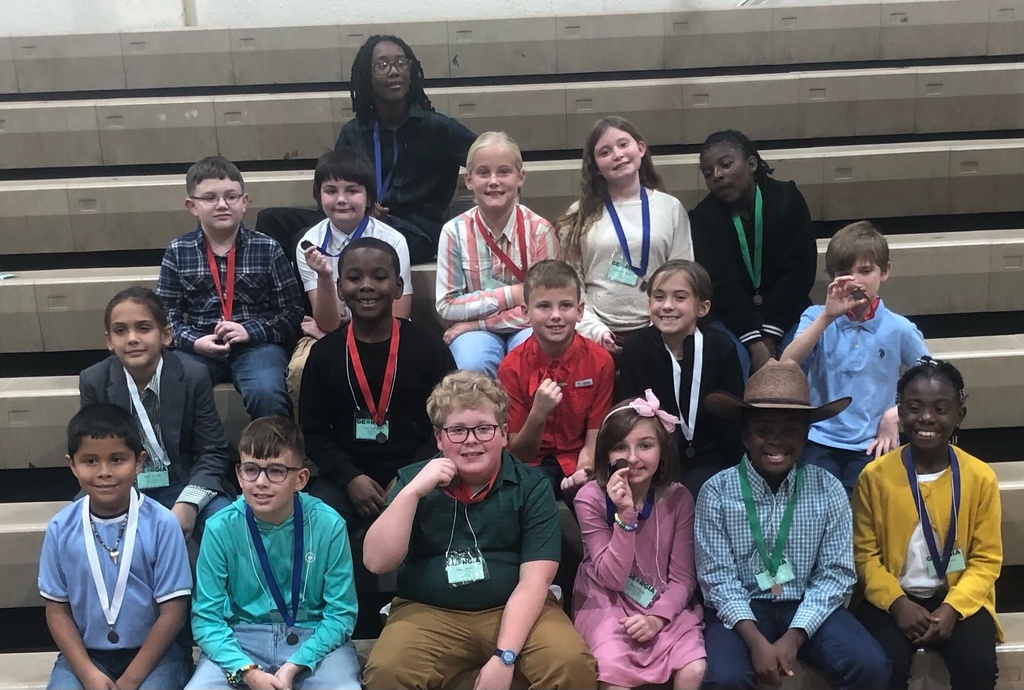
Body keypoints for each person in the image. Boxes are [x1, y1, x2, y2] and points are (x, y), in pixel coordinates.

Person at [361, 371, 598, 690]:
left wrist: (505, 656)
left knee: (571, 664)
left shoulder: (532, 485)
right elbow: (377, 562)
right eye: (457, 430)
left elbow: (534, 581)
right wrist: (412, 493)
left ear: (503, 434)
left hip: (515, 608)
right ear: (439, 438)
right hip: (428, 612)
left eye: (483, 429)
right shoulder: (413, 481)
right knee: (386, 672)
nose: (471, 440)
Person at [695, 361, 888, 690]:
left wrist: (794, 637)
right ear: (744, 435)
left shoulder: (827, 489)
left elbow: (836, 574)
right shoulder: (716, 491)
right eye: (763, 430)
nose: (776, 441)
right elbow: (717, 579)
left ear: (806, 435)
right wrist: (757, 644)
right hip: (741, 610)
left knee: (870, 665)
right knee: (725, 679)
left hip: (806, 602)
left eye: (789, 430)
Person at [257, 35, 476, 265]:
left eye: (401, 63)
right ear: (366, 76)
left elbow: (485, 156)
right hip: (357, 216)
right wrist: (363, 208)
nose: (394, 71)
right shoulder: (354, 132)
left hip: (414, 230)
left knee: (305, 242)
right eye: (382, 65)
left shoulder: (438, 127)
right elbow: (333, 183)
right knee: (271, 220)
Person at [853, 357, 1001, 690]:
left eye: (940, 409)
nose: (927, 418)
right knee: (880, 666)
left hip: (956, 596)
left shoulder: (980, 478)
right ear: (900, 413)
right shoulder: (874, 477)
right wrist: (897, 603)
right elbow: (864, 557)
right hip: (893, 598)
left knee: (979, 667)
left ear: (959, 415)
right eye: (915, 407)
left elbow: (986, 560)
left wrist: (952, 608)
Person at [187, 416, 361, 690]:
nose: (261, 482)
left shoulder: (329, 524)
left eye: (276, 471)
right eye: (251, 469)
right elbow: (206, 618)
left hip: (314, 637)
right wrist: (247, 671)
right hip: (240, 640)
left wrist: (295, 665)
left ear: (301, 478)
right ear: (238, 474)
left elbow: (341, 614)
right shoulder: (220, 527)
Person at [300, 237, 456, 527]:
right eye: (354, 277)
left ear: (398, 287)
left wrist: (411, 477)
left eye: (379, 277)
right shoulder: (324, 354)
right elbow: (314, 433)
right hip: (347, 475)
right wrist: (350, 478)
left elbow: (447, 426)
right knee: (318, 518)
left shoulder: (429, 348)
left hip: (419, 471)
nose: (367, 285)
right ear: (339, 288)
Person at [39, 403, 193, 690]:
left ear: (139, 461)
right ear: (71, 464)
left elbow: (173, 612)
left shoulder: (163, 524)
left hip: (155, 656)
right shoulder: (61, 528)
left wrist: (130, 681)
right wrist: (87, 674)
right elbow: (57, 611)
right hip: (87, 657)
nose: (104, 472)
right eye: (90, 461)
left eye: (117, 459)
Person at [782, 221, 928, 492]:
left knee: (863, 514)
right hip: (818, 439)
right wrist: (827, 316)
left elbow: (934, 383)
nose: (856, 281)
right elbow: (786, 365)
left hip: (871, 443)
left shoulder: (899, 329)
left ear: (884, 272)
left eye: (865, 271)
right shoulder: (816, 317)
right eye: (845, 272)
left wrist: (896, 415)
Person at [572, 395, 706, 690]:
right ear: (606, 453)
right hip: (607, 602)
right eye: (620, 447)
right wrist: (626, 515)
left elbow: (683, 578)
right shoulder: (590, 498)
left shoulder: (679, 497)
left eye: (645, 446)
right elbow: (611, 578)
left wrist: (658, 618)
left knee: (694, 668)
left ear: (661, 451)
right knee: (613, 670)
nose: (632, 458)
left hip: (662, 602)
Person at [80, 287, 233, 542]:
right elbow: (91, 453)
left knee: (226, 524)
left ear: (166, 335)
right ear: (109, 341)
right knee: (76, 528)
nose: (132, 338)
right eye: (120, 331)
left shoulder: (193, 375)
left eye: (143, 328)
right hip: (122, 485)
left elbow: (212, 451)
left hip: (183, 482)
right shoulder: (94, 380)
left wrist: (189, 503)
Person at [157, 155, 304, 420]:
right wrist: (195, 341)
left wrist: (249, 331)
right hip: (198, 345)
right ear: (192, 205)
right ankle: (192, 459)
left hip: (257, 346)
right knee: (173, 388)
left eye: (231, 196)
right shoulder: (177, 251)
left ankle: (274, 459)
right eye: (210, 198)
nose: (222, 204)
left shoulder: (268, 248)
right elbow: (166, 318)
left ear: (245, 201)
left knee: (267, 391)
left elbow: (292, 312)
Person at [288, 147, 414, 411]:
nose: (341, 199)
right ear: (318, 195)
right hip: (332, 334)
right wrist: (324, 277)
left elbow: (399, 315)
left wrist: (338, 333)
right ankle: (311, 445)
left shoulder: (393, 240)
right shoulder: (308, 243)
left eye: (352, 190)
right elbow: (329, 322)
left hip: (385, 331)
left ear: (369, 196)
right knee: (301, 368)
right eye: (331, 190)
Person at [558, 115, 692, 354]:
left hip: (659, 332)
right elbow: (571, 284)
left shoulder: (670, 208)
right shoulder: (578, 214)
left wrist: (658, 329)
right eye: (605, 152)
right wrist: (595, 330)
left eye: (623, 144)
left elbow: (683, 274)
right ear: (596, 166)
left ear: (640, 148)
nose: (617, 155)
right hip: (594, 334)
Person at [690, 130, 817, 377]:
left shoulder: (787, 199)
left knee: (805, 348)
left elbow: (799, 273)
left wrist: (770, 334)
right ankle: (737, 417)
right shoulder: (703, 217)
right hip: (732, 320)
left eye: (725, 165)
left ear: (751, 164)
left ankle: (802, 416)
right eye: (708, 173)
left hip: (787, 313)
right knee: (728, 353)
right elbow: (722, 285)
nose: (717, 175)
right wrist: (754, 343)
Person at [617, 260, 744, 500]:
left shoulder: (720, 346)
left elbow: (732, 417)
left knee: (706, 491)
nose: (667, 306)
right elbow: (628, 414)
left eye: (680, 297)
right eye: (659, 297)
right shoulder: (637, 348)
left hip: (710, 458)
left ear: (702, 308)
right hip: (655, 459)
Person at [436, 131, 560, 376]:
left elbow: (547, 308)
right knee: (473, 363)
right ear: (469, 179)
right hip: (475, 335)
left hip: (525, 326)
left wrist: (478, 321)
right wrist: (511, 294)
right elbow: (446, 306)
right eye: (484, 173)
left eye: (504, 172)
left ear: (520, 177)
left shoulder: (540, 231)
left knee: (532, 355)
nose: (494, 181)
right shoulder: (453, 232)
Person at [497, 259, 614, 500]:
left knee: (593, 495)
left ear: (580, 311)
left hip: (579, 457)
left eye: (565, 305)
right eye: (544, 306)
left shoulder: (600, 361)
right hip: (533, 463)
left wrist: (585, 469)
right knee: (532, 495)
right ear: (526, 313)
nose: (556, 316)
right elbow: (520, 452)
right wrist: (538, 413)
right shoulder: (512, 367)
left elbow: (594, 438)